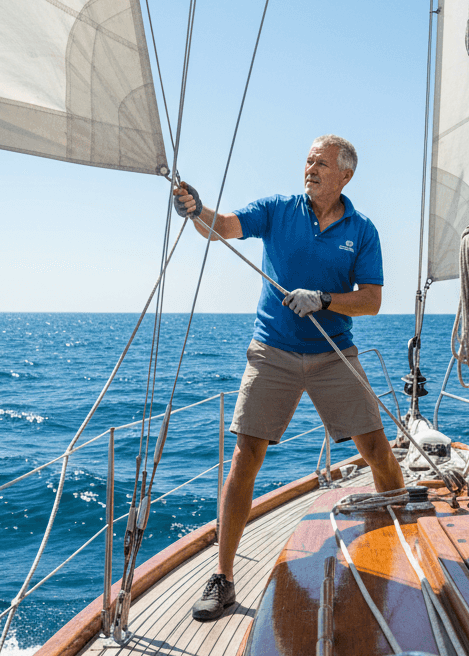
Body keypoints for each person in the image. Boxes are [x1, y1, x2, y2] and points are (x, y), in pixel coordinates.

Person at [173, 134, 404, 622]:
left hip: (333, 352)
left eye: (320, 163)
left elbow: (372, 300)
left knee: (378, 452)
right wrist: (197, 209)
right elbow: (224, 228)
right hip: (273, 352)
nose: (310, 168)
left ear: (345, 174)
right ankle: (224, 578)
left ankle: (405, 542)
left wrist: (322, 298)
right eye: (308, 161)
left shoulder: (362, 230)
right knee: (245, 456)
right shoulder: (278, 209)